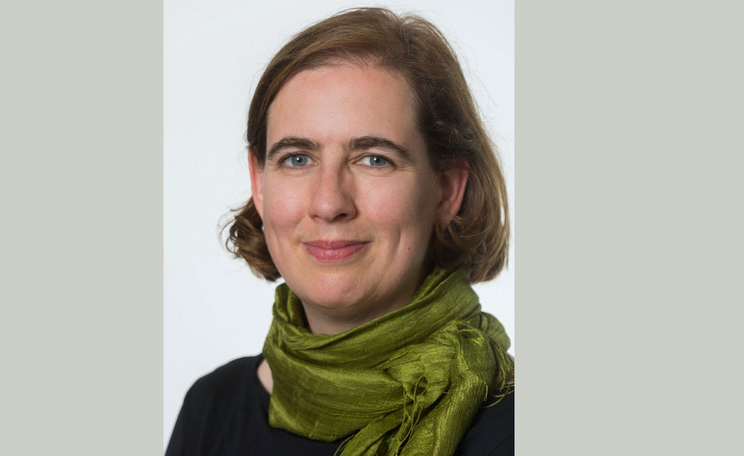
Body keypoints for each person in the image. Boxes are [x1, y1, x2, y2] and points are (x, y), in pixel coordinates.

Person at [166, 7, 514, 456]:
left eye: (374, 159)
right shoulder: (211, 409)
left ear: (446, 191)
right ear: (259, 183)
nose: (329, 203)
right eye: (297, 158)